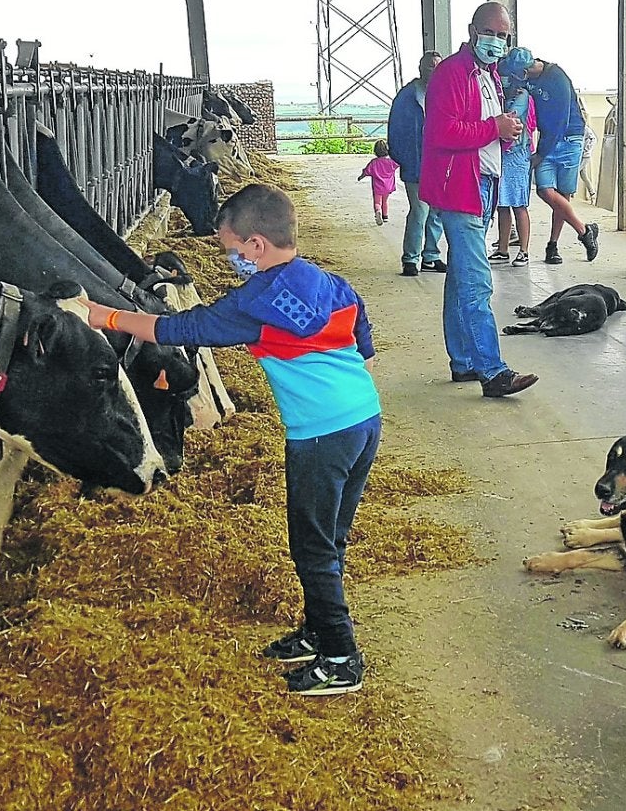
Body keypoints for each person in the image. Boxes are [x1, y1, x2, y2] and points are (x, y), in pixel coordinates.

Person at [82, 184, 382, 696]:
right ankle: (317, 629)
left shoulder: (257, 302)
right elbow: (365, 348)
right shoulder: (332, 284)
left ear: (258, 245)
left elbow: (178, 329)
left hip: (319, 436)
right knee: (331, 537)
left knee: (310, 546)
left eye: (234, 250)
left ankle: (340, 656)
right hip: (363, 420)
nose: (232, 259)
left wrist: (102, 316)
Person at [420, 2, 538, 398]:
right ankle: (493, 371)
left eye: (504, 35)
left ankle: (464, 362)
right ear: (473, 31)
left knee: (460, 279)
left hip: (483, 182)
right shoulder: (451, 73)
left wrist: (505, 133)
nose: (497, 41)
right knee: (476, 282)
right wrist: (494, 127)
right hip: (460, 189)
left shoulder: (489, 75)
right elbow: (443, 131)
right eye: (491, 32)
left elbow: (481, 130)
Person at [499, 47, 600, 264]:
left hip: (569, 138)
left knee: (562, 196)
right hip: (548, 139)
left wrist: (540, 154)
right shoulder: (525, 81)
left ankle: (553, 245)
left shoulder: (557, 78)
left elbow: (560, 122)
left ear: (526, 70)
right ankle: (584, 231)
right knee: (545, 191)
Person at [389, 51, 446, 277]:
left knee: (437, 212)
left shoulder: (444, 94)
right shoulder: (407, 96)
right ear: (421, 68)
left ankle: (431, 256)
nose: (434, 70)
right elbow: (395, 129)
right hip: (415, 163)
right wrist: (400, 157)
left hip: (440, 163)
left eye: (437, 66)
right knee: (420, 211)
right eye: (430, 66)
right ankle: (410, 259)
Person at [491, 76, 537, 267]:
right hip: (502, 154)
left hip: (518, 154)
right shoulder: (501, 94)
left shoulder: (522, 95)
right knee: (502, 204)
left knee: (518, 204)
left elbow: (511, 116)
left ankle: (524, 250)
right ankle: (503, 249)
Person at [358, 139, 398, 226]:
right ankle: (385, 216)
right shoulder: (391, 162)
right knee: (385, 201)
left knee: (377, 202)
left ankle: (378, 212)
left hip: (377, 187)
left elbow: (366, 171)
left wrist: (361, 177)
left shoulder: (374, 162)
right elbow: (398, 164)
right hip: (388, 186)